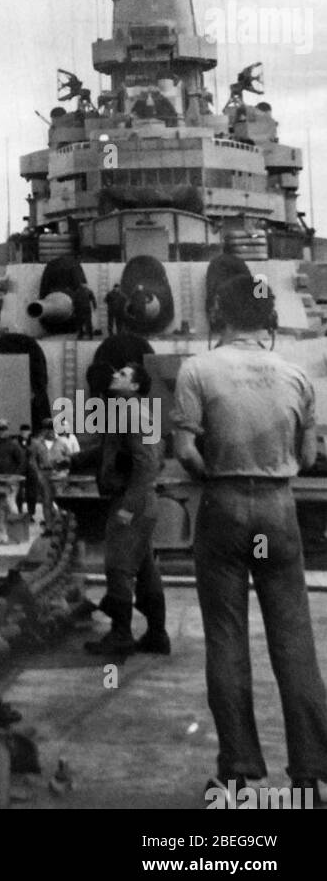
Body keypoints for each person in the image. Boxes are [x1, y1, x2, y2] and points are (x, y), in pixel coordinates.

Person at [171, 274, 327, 799]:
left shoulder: (198, 369)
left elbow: (186, 452)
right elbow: (308, 458)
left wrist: (212, 473)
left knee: (227, 637)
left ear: (220, 314)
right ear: (270, 322)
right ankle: (312, 770)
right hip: (279, 510)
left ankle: (239, 768)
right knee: (294, 642)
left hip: (224, 506)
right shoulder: (296, 374)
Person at [83, 360, 168, 658]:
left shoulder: (132, 413)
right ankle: (157, 634)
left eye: (121, 373)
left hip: (133, 500)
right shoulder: (128, 412)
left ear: (134, 386)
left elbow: (146, 464)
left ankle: (120, 635)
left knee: (118, 566)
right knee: (144, 569)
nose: (114, 373)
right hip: (140, 500)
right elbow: (115, 451)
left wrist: (128, 510)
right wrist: (77, 460)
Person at [0, 421, 27, 543]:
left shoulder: (13, 445)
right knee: (0, 507)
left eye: (3, 429)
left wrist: (15, 476)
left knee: (10, 504)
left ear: (7, 430)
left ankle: (17, 532)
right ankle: (3, 534)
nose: (1, 432)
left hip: (10, 481)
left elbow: (22, 460)